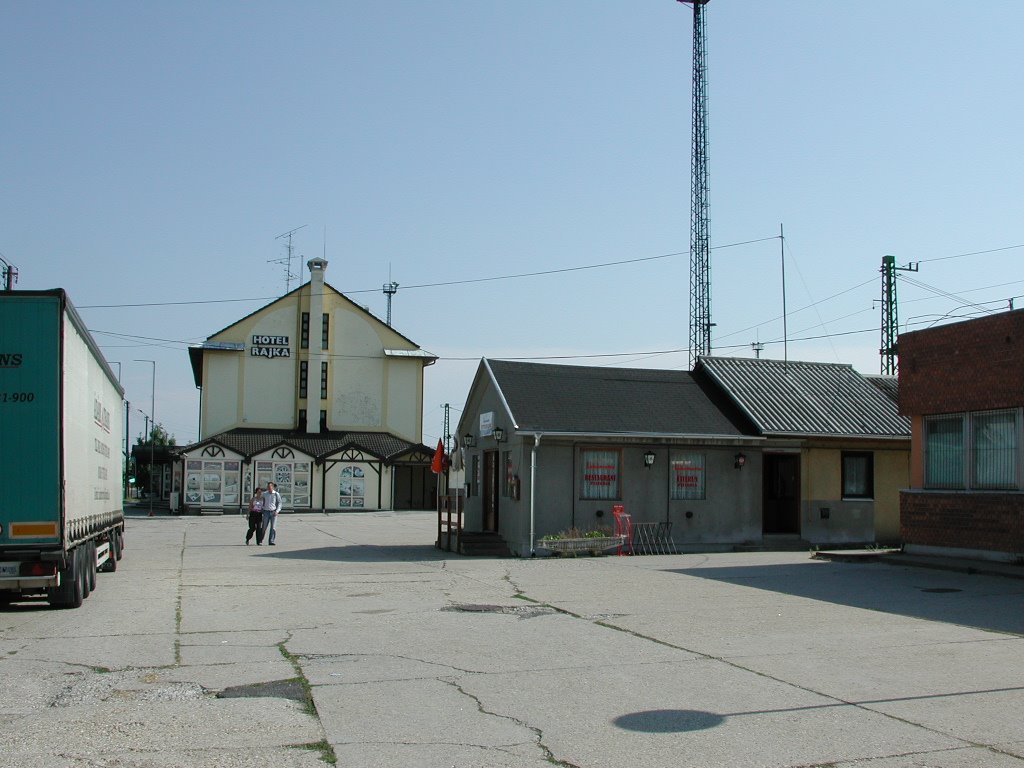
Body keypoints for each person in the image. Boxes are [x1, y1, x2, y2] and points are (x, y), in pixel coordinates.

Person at [261, 481, 283, 546]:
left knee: (273, 527)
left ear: (272, 487)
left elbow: (279, 503)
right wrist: (262, 508)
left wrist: (277, 511)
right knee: (264, 527)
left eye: (270, 486)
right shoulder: (265, 494)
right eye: (268, 487)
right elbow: (262, 501)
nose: (269, 488)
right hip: (266, 512)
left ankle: (271, 541)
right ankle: (260, 540)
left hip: (273, 512)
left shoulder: (276, 494)